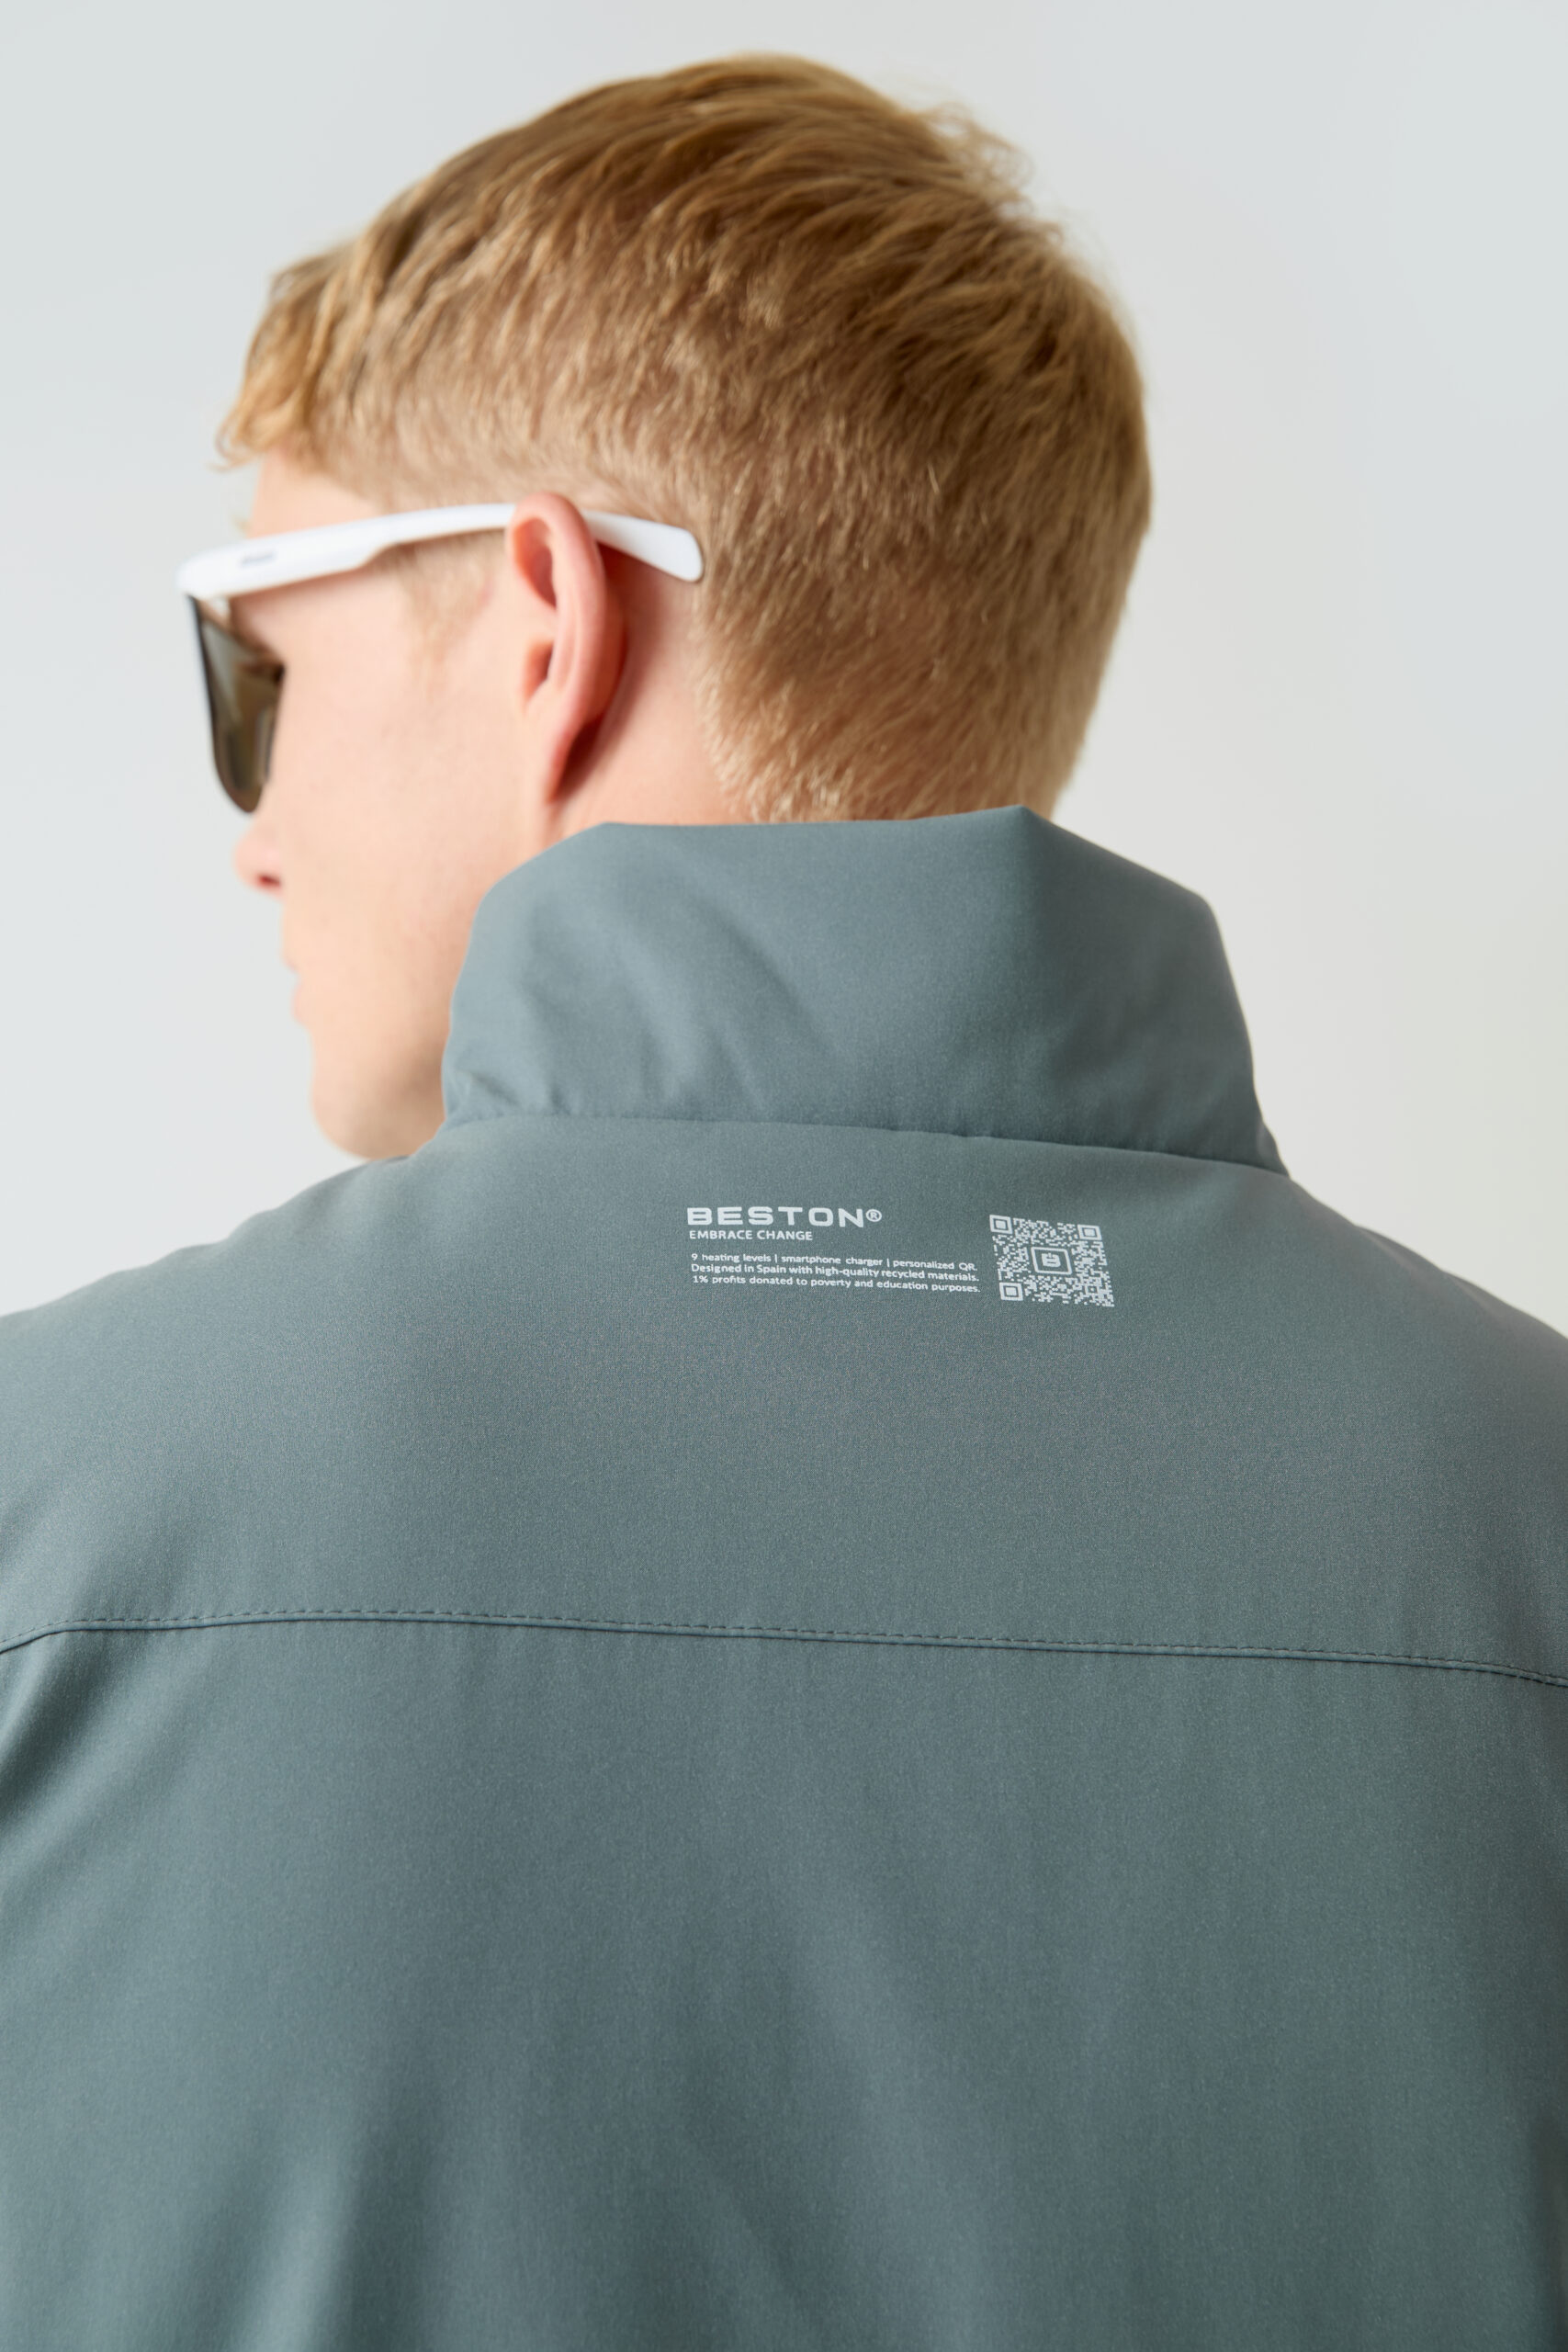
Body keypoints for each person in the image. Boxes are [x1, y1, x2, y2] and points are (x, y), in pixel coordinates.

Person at [1, 52, 1564, 2352]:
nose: (251, 824)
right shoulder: (1526, 1511)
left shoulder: (48, 1518)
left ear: (547, 619)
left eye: (256, 670)